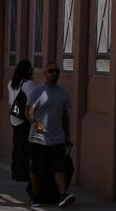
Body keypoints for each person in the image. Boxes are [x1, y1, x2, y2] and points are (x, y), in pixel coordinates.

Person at [26, 63, 75, 208]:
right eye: (51, 71)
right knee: (37, 169)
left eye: (57, 71)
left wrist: (67, 135)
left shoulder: (63, 93)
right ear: (45, 74)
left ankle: (62, 195)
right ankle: (35, 196)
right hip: (38, 138)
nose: (54, 74)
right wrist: (35, 123)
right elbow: (28, 111)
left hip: (57, 138)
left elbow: (65, 116)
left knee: (59, 168)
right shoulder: (37, 91)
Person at [8, 60, 35, 182]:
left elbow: (10, 102)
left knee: (17, 145)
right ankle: (23, 173)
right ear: (26, 70)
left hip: (14, 117)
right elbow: (32, 102)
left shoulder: (11, 83)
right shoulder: (28, 84)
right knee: (24, 147)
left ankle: (15, 171)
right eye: (30, 68)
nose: (32, 70)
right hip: (24, 118)